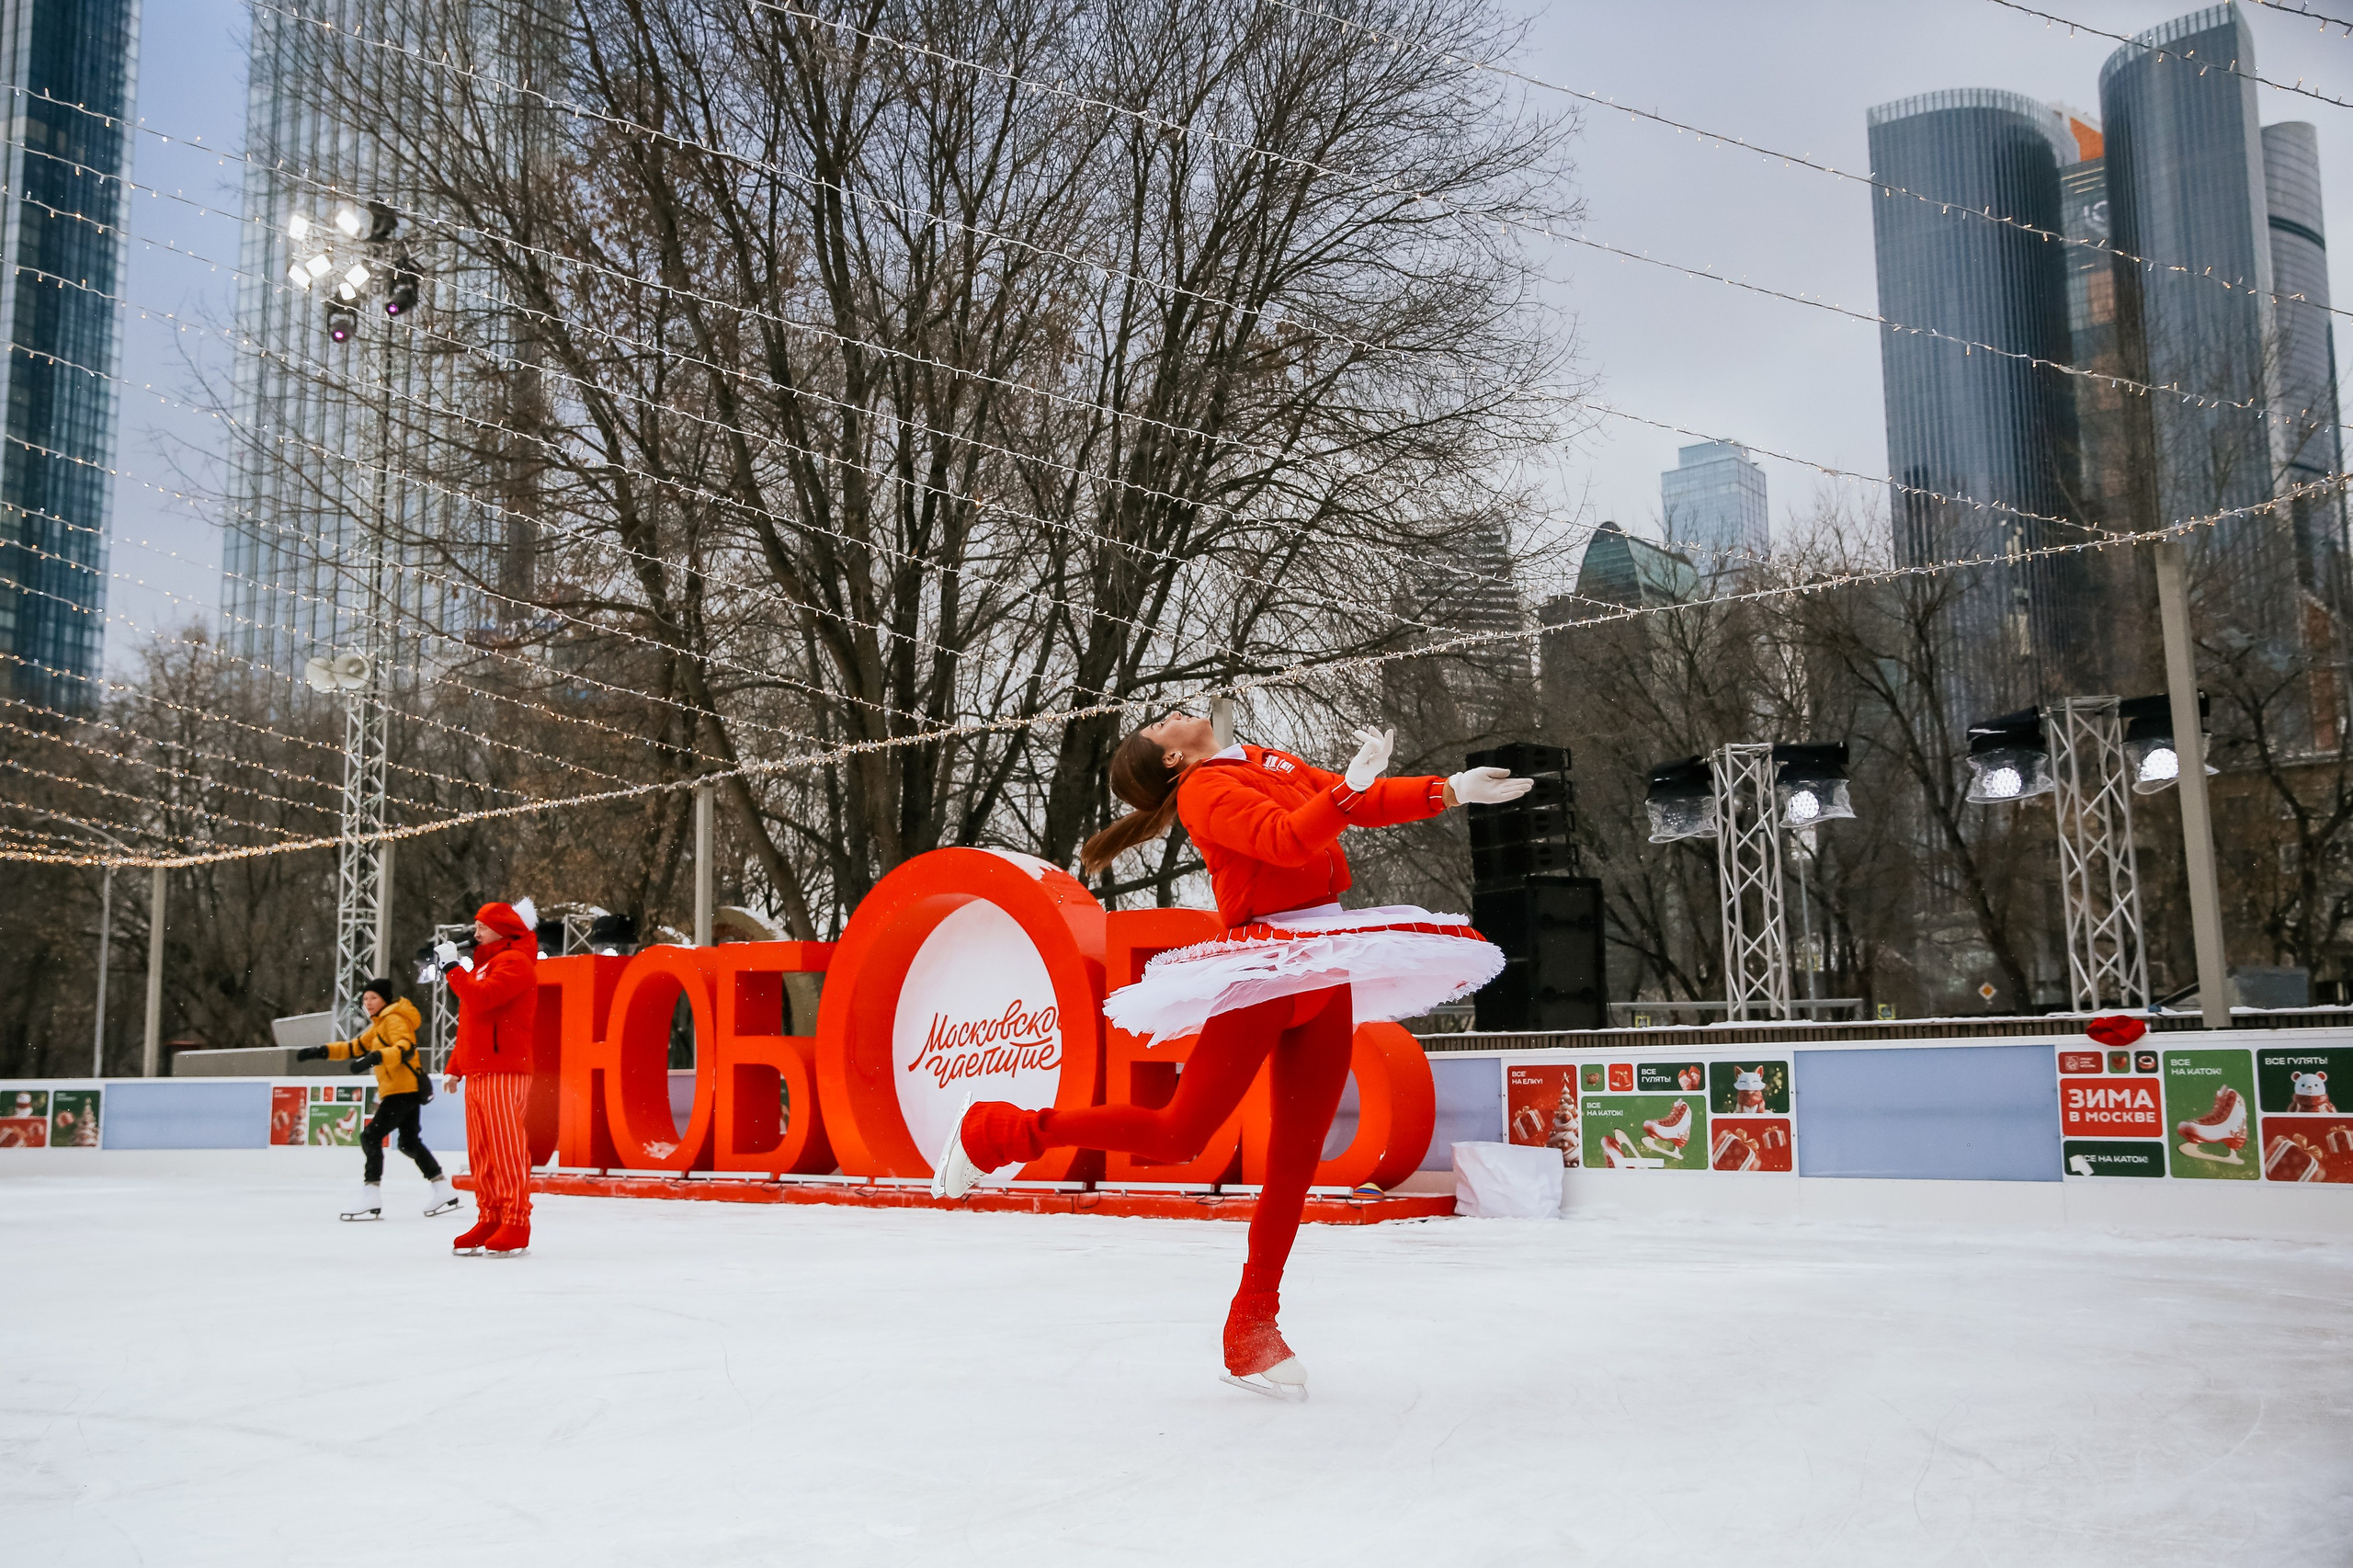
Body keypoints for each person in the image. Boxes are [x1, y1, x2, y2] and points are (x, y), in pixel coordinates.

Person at [932, 713, 1530, 1398]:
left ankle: (1252, 1328)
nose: (1173, 715)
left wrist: (1447, 790)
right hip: (1267, 967)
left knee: (1295, 1161)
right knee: (1181, 1134)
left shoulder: (1265, 759)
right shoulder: (1201, 792)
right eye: (1160, 726)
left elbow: (1349, 803)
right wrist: (1349, 791)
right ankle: (998, 1131)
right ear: (1169, 761)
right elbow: (1284, 840)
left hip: (1326, 960)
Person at [297, 978, 455, 1221]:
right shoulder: (379, 1024)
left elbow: (406, 1046)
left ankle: (371, 1193)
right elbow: (352, 1047)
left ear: (385, 999)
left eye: (373, 998)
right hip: (403, 1089)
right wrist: (320, 1051)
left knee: (370, 1136)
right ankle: (442, 1188)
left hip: (402, 1090)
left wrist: (375, 1058)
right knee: (409, 1142)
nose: (368, 1003)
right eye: (365, 999)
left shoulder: (393, 1018)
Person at [438, 902, 540, 1257]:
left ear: (502, 929)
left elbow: (481, 1000)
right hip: (481, 1068)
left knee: (505, 1148)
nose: (475, 932)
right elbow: (472, 1024)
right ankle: (491, 1214)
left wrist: (453, 967)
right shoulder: (485, 965)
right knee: (482, 1151)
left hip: (505, 1068)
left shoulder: (515, 963)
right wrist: (456, 1065)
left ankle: (515, 1219)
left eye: (482, 926)